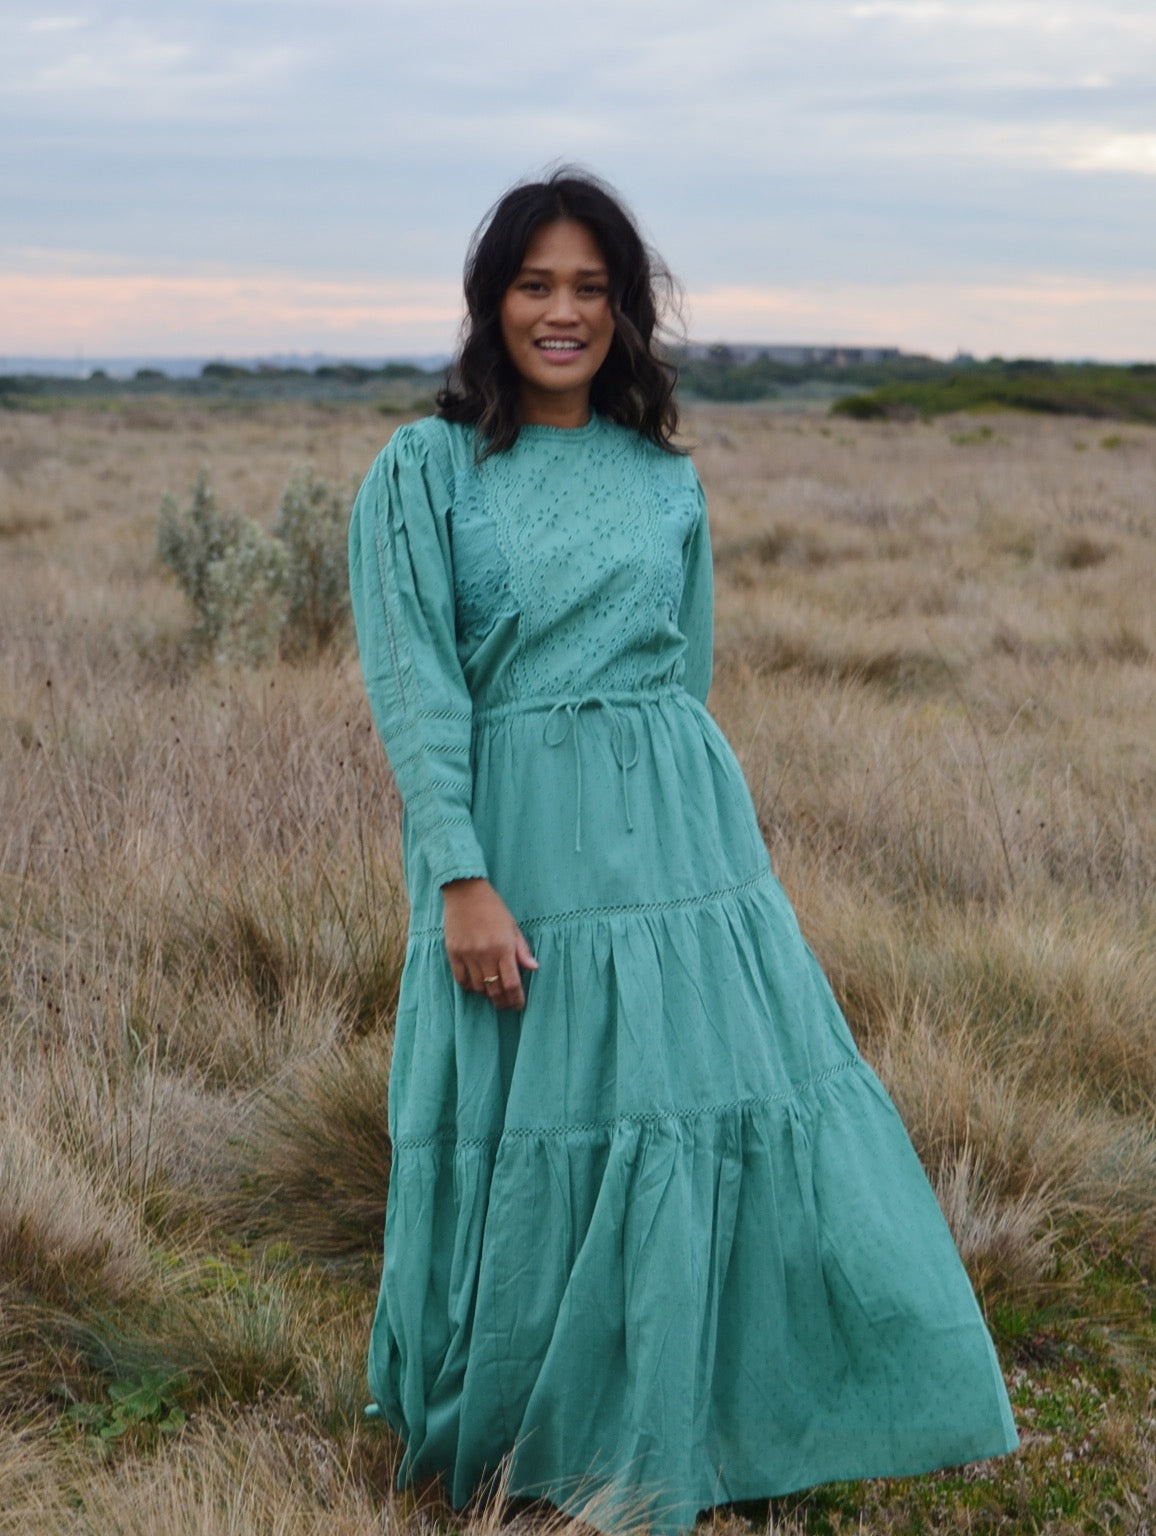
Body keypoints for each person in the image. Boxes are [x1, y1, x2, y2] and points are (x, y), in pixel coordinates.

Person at [348, 168, 1017, 1534]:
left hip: (682, 852)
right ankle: (526, 1432)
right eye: (536, 283)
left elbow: (684, 674)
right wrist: (462, 875)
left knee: (691, 1112)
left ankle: (699, 1413)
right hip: (518, 844)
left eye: (591, 287)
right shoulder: (424, 471)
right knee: (540, 1122)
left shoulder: (665, 477)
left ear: (627, 311)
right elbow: (419, 692)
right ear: (491, 301)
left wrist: (701, 847)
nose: (563, 311)